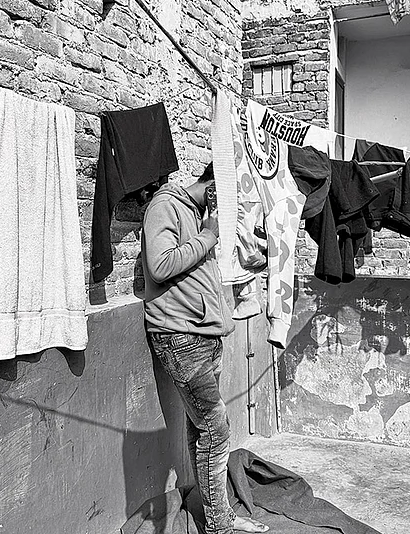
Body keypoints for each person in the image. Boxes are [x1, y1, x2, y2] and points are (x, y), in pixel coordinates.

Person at [142, 163, 269, 534]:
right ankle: (219, 527)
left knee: (203, 431)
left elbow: (199, 272)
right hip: (181, 338)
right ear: (213, 188)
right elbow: (161, 264)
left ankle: (218, 518)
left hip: (204, 335)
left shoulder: (199, 216)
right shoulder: (165, 205)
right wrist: (209, 237)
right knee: (217, 429)